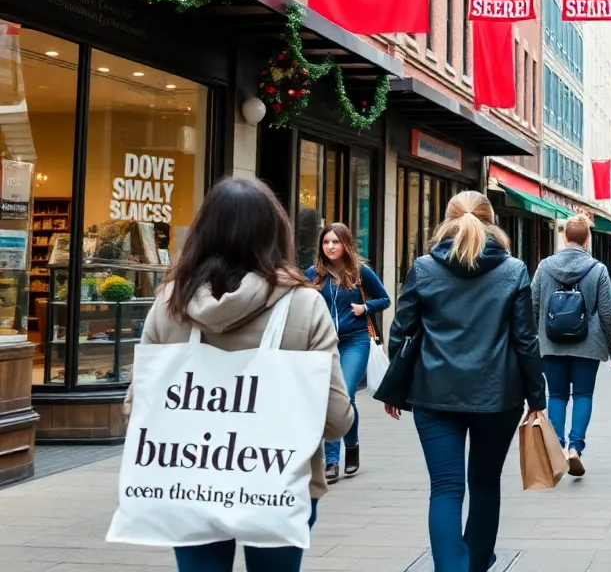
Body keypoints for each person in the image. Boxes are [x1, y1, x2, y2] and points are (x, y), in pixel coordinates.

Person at [127, 177, 352, 572]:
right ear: (275, 234)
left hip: (191, 479)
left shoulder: (169, 304)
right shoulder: (305, 306)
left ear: (203, 232)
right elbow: (335, 422)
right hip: (279, 484)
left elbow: (138, 410)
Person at [386, 191, 545, 572]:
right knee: (486, 484)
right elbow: (525, 339)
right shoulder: (513, 270)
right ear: (492, 221)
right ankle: (475, 564)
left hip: (434, 393)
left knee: (445, 488)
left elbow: (400, 329)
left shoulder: (424, 267)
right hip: (498, 396)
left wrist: (396, 382)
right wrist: (536, 396)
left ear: (447, 219)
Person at [531, 215, 611, 476]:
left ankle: (557, 446)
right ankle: (575, 448)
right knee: (583, 395)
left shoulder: (545, 266)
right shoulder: (598, 269)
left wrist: (532, 342)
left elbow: (533, 307)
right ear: (588, 239)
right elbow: (606, 312)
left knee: (557, 395)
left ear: (564, 237)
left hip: (551, 343)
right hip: (588, 344)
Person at [305, 223, 391, 482]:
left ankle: (350, 447)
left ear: (345, 245)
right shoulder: (312, 274)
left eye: (336, 242)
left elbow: (385, 299)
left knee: (344, 395)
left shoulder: (360, 272)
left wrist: (363, 309)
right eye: (326, 242)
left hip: (355, 341)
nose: (330, 246)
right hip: (323, 343)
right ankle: (331, 461)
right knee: (330, 399)